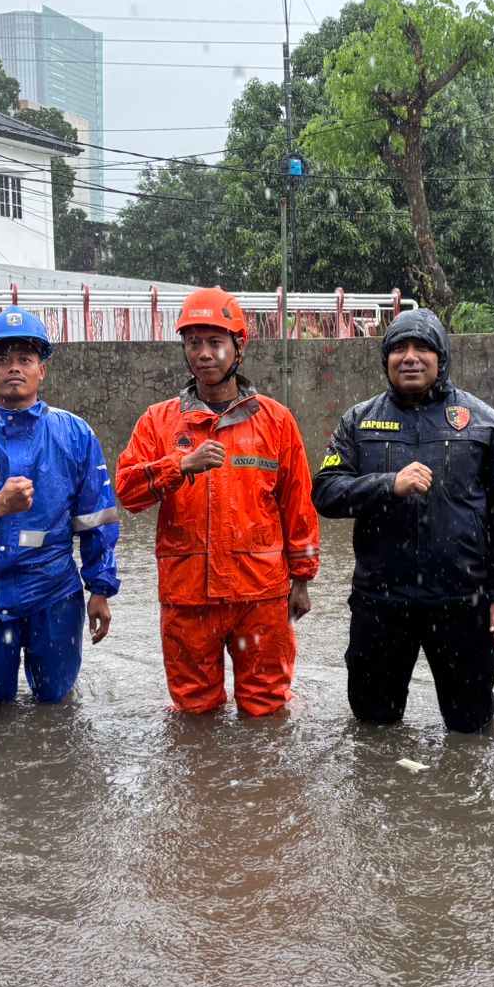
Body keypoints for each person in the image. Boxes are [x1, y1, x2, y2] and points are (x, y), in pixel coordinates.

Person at [312, 307, 494, 733]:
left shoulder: (481, 421)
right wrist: (388, 484)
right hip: (381, 602)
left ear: (441, 357)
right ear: (385, 359)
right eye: (399, 349)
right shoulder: (358, 421)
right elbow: (326, 492)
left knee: (471, 729)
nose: (410, 357)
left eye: (422, 347)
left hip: (462, 602)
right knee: (373, 727)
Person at [115, 287, 320, 716]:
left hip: (260, 596)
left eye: (214, 342)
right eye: (193, 343)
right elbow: (127, 493)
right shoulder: (159, 421)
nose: (203, 354)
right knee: (193, 713)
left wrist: (301, 580)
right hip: (187, 598)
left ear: (238, 347)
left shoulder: (277, 422)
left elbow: (297, 505)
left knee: (267, 710)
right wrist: (180, 465)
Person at [0, 308, 121, 710]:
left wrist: (100, 590)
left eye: (25, 360)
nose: (13, 368)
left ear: (41, 371)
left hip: (55, 599)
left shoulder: (75, 433)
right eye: (2, 360)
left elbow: (96, 518)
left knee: (58, 709)